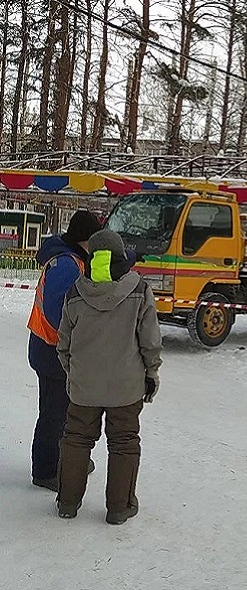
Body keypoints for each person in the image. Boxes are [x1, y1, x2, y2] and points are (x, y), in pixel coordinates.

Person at [55, 228, 162, 523]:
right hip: (126, 388)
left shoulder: (76, 292)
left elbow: (63, 343)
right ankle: (119, 507)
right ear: (120, 255)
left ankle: (67, 503)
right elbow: (150, 340)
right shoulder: (139, 290)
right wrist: (151, 372)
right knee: (124, 442)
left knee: (76, 440)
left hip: (84, 388)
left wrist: (74, 373)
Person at [27, 209, 101, 492]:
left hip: (53, 350)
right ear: (84, 239)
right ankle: (46, 470)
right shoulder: (66, 265)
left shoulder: (74, 260)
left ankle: (65, 459)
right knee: (54, 413)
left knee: (64, 411)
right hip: (51, 351)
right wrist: (79, 340)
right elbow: (57, 313)